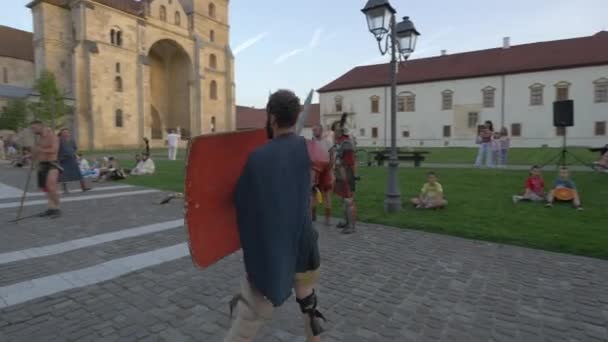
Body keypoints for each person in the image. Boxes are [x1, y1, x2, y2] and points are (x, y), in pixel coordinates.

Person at [225, 89, 328, 342]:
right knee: (308, 303)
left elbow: (241, 200)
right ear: (297, 116)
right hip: (304, 242)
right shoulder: (313, 151)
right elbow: (322, 187)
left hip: (274, 247)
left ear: (271, 118)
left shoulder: (258, 157)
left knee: (251, 313)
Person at [30, 120, 62, 218]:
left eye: (34, 128)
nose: (33, 130)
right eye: (32, 128)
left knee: (51, 187)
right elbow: (37, 152)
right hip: (42, 164)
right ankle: (51, 208)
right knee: (47, 189)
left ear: (41, 126)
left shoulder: (52, 136)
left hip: (52, 164)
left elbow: (54, 150)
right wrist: (32, 157)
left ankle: (57, 208)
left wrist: (40, 150)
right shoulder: (39, 139)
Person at [332, 113, 357, 234]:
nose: (335, 131)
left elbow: (351, 149)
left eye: (337, 129)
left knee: (348, 199)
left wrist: (347, 135)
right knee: (343, 198)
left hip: (347, 171)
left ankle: (351, 226)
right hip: (339, 171)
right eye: (334, 129)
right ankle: (346, 221)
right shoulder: (338, 140)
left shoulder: (347, 140)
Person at [311, 124, 334, 226]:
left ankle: (327, 218)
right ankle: (313, 215)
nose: (315, 132)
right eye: (313, 130)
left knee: (326, 194)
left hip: (325, 170)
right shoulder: (312, 143)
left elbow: (332, 155)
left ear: (321, 130)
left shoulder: (327, 142)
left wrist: (331, 168)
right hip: (315, 170)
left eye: (316, 130)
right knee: (313, 194)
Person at [58, 128, 91, 194]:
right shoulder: (59, 141)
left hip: (72, 159)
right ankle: (65, 189)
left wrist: (76, 156)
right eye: (64, 132)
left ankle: (84, 187)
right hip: (63, 160)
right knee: (64, 175)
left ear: (69, 133)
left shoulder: (72, 140)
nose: (65, 134)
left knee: (79, 173)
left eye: (67, 132)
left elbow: (75, 149)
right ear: (61, 134)